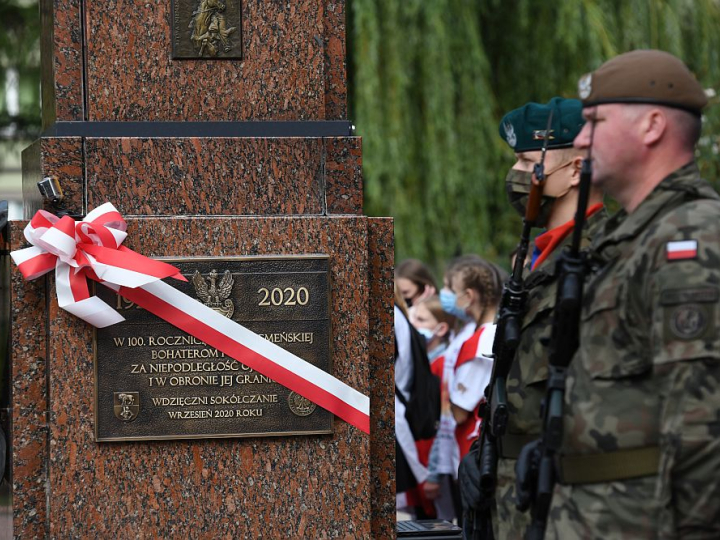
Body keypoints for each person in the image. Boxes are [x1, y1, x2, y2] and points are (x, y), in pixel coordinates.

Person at [543, 50, 720, 538]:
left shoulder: (691, 237)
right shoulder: (634, 236)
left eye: (595, 122)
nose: (580, 140)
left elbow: (704, 424)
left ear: (652, 126)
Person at [465, 97, 606, 538]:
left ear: (577, 170)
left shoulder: (603, 253)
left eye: (528, 161)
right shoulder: (533, 257)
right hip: (512, 488)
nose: (518, 175)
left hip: (567, 492)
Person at [446, 257, 506, 460]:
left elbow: (460, 411)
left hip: (474, 449)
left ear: (469, 296)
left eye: (454, 292)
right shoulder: (496, 333)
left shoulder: (480, 342)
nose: (450, 298)